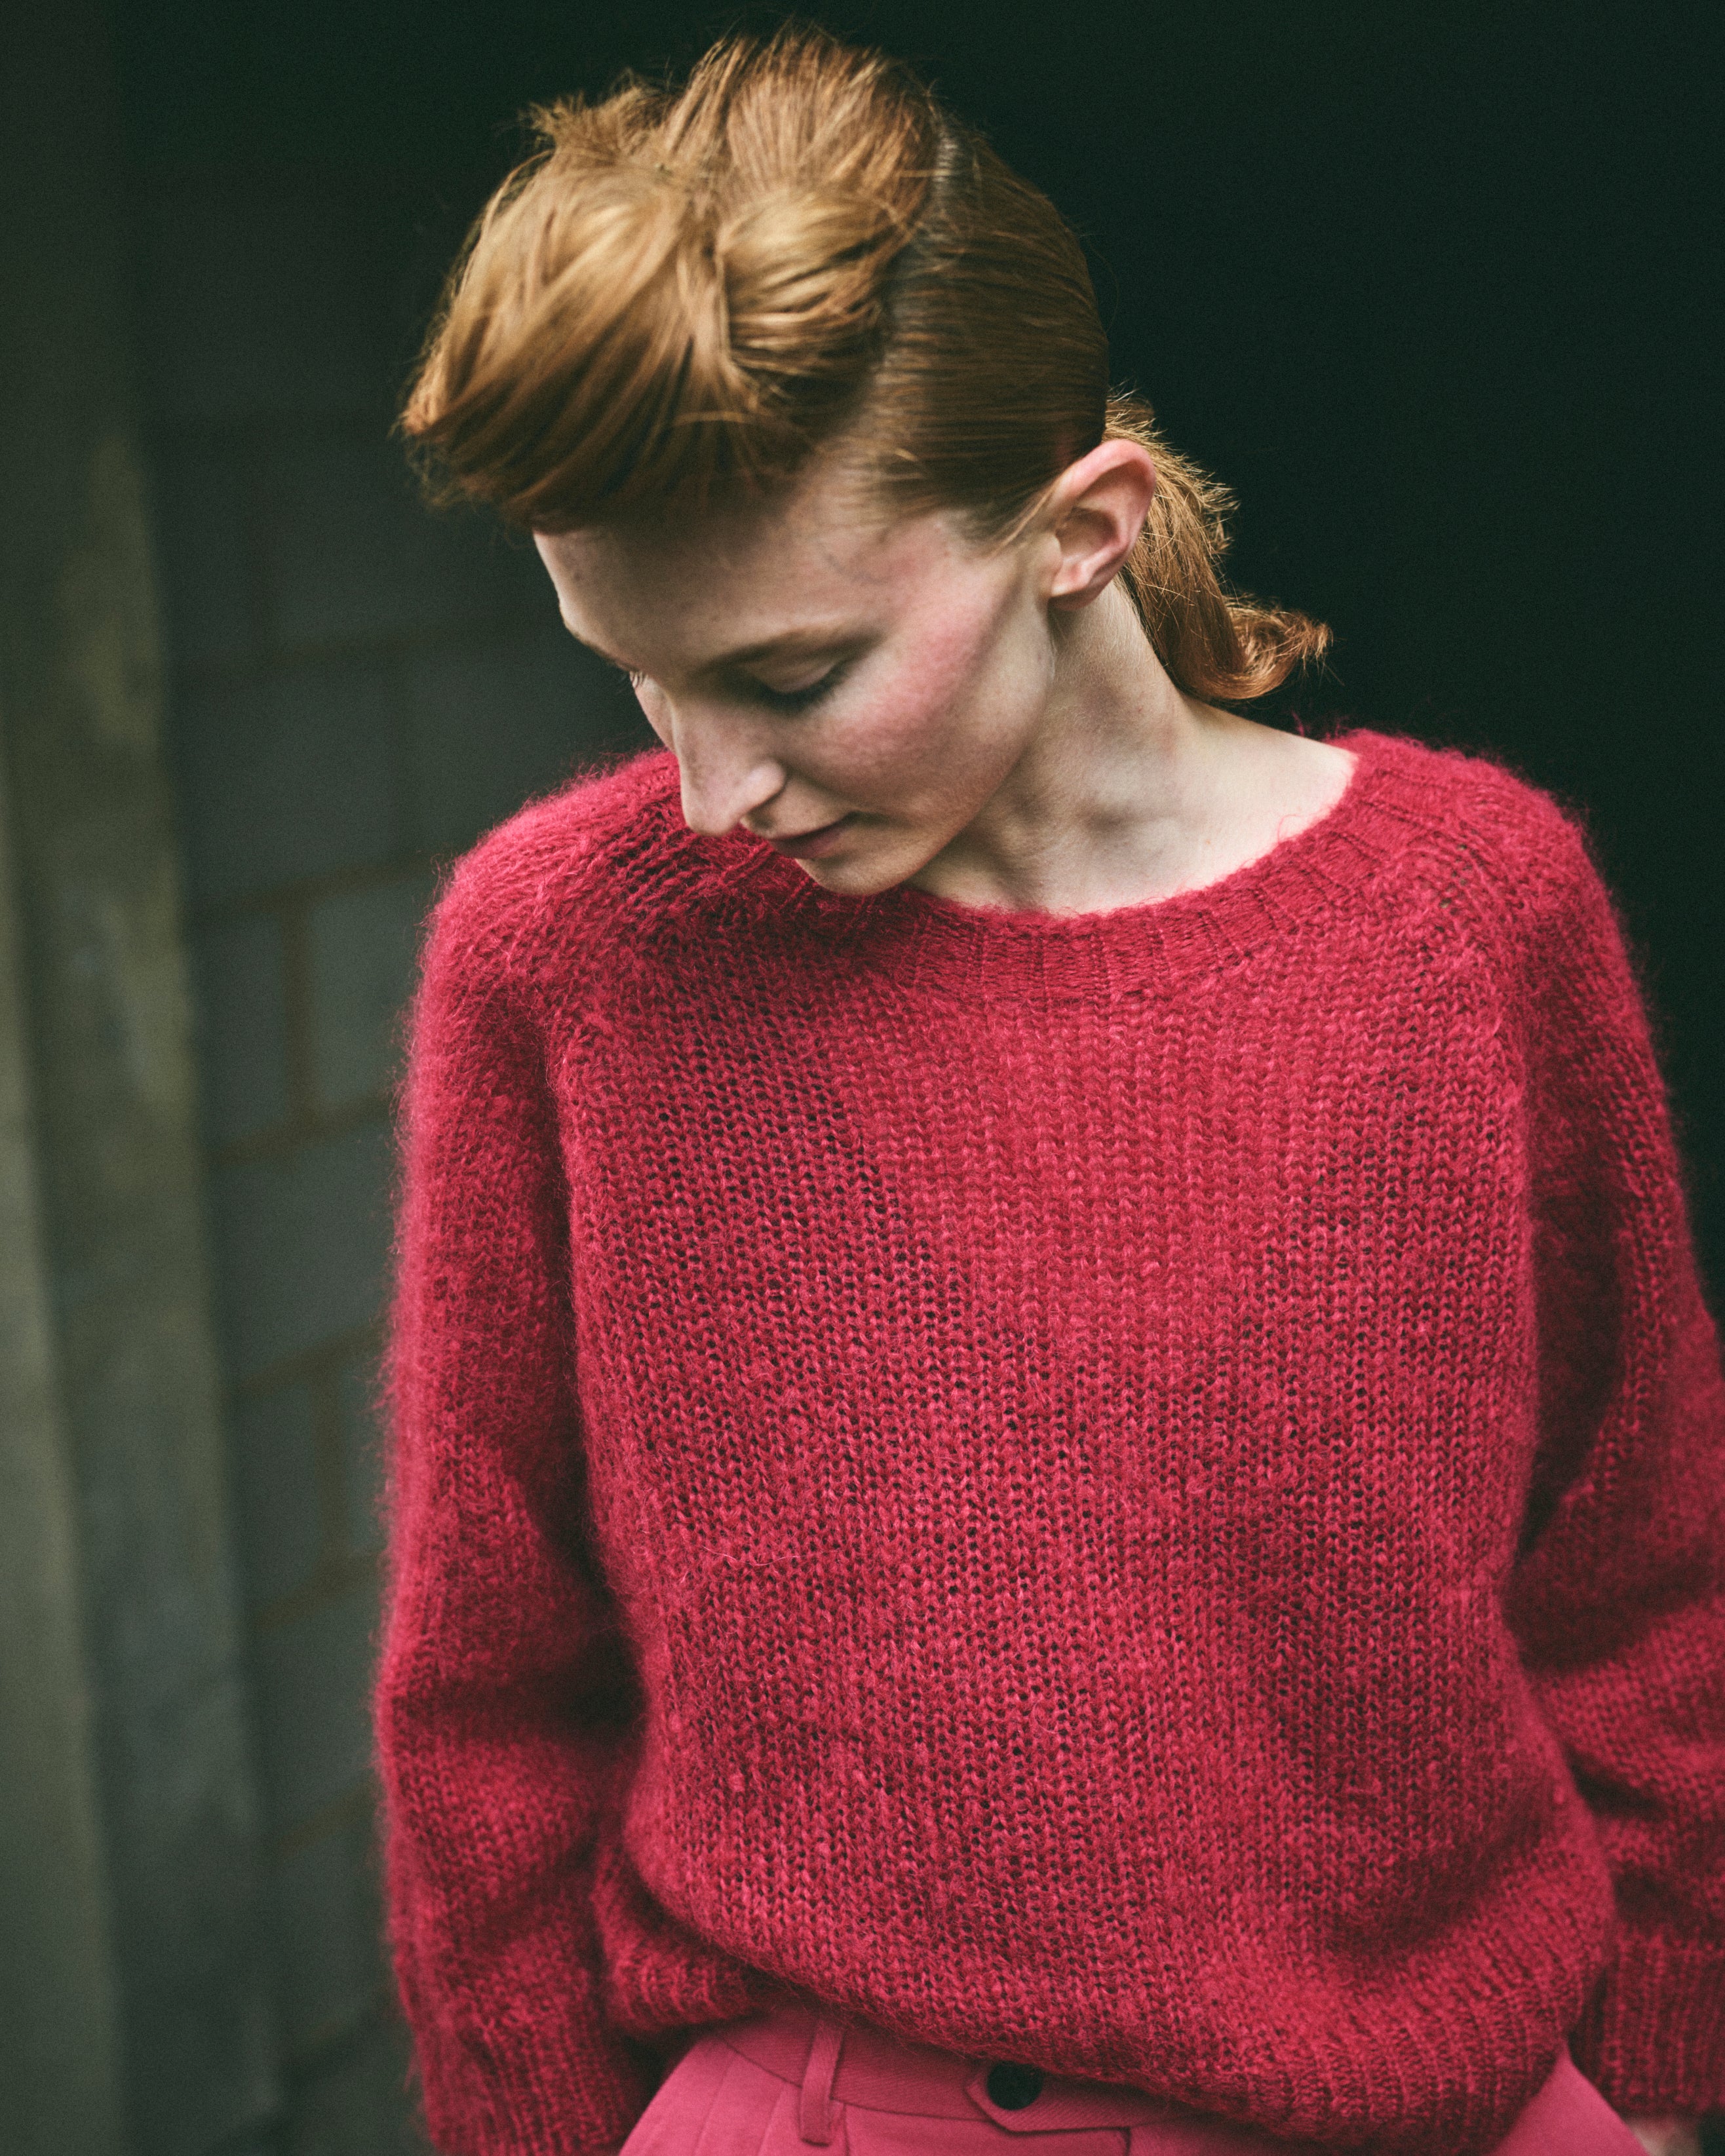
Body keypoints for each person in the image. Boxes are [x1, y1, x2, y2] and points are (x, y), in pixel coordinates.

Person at [373, 26, 1724, 2156]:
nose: (709, 789)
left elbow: (1637, 1572)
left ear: (1081, 526)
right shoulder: (567, 959)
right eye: (634, 676)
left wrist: (1655, 2079)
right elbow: (487, 1682)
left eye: (791, 676)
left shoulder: (1473, 918)